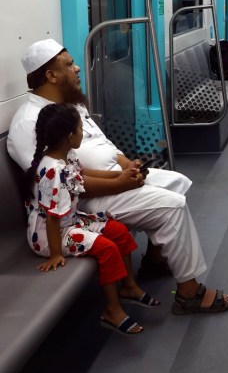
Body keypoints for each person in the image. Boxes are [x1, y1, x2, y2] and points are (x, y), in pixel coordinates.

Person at [8, 39, 228, 316]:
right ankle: (189, 293)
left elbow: (104, 145)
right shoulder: (28, 122)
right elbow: (59, 185)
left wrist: (129, 165)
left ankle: (154, 261)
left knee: (178, 182)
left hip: (111, 181)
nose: (78, 68)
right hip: (79, 205)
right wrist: (119, 183)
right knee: (172, 205)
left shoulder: (68, 104)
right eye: (69, 64)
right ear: (50, 75)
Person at [25, 103, 158, 335]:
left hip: (68, 222)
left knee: (118, 231)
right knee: (106, 248)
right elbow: (52, 219)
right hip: (49, 236)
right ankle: (112, 311)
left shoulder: (67, 155)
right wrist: (55, 253)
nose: (82, 134)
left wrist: (121, 175)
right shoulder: (52, 171)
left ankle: (129, 287)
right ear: (69, 136)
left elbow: (84, 175)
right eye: (79, 129)